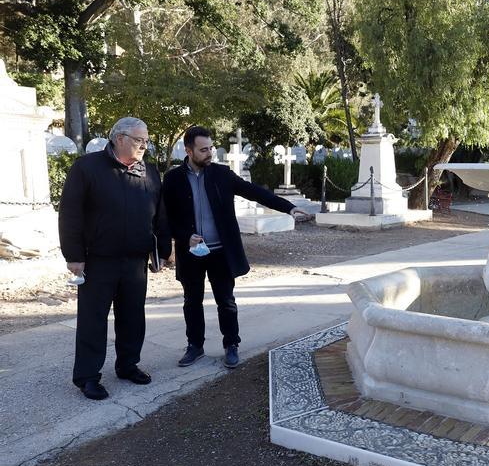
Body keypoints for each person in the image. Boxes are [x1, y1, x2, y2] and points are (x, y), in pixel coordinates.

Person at [162, 126, 308, 369]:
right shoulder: (173, 179)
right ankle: (195, 346)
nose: (210, 153)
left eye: (210, 147)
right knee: (191, 301)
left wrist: (288, 207)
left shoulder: (222, 174)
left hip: (221, 252)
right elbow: (167, 217)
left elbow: (255, 193)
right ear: (188, 151)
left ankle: (231, 345)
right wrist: (185, 237)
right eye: (204, 149)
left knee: (226, 301)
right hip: (191, 254)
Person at [58, 117, 171, 401]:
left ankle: (128, 364)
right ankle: (87, 377)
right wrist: (73, 255)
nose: (144, 145)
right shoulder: (87, 167)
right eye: (138, 140)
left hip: (135, 261)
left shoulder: (149, 171)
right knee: (93, 320)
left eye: (146, 140)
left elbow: (160, 213)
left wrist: (164, 249)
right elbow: (70, 214)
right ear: (119, 138)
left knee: (133, 317)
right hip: (98, 261)